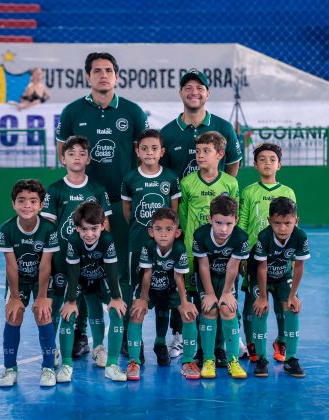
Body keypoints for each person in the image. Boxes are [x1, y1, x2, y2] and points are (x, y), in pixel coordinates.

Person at [56, 53, 148, 356]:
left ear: (117, 76)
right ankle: (80, 333)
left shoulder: (132, 112)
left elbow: (144, 154)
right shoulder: (73, 111)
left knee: (121, 270)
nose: (103, 75)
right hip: (85, 206)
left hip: (121, 205)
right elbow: (62, 152)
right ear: (88, 76)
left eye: (109, 70)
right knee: (82, 269)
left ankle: (125, 335)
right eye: (97, 71)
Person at [160, 68, 242, 359]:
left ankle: (228, 336)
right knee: (184, 282)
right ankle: (180, 335)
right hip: (188, 230)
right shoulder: (168, 132)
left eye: (200, 87)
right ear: (180, 93)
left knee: (222, 281)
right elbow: (167, 179)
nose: (194, 92)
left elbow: (232, 168)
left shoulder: (224, 127)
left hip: (218, 234)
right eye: (188, 87)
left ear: (208, 93)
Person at [40, 135, 112, 366]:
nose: (77, 158)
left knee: (92, 303)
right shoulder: (56, 189)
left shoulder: (97, 188)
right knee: (57, 304)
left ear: (89, 159)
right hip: (62, 260)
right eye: (71, 154)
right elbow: (47, 227)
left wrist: (103, 255)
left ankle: (98, 347)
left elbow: (106, 225)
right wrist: (47, 259)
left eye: (82, 154)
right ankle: (52, 349)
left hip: (91, 261)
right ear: (63, 159)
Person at [178, 131, 239, 369]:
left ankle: (221, 348)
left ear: (220, 154)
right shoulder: (187, 182)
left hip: (223, 254)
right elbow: (183, 218)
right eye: (198, 151)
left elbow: (234, 219)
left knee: (223, 299)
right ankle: (202, 349)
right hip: (194, 253)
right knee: (198, 300)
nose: (200, 155)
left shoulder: (230, 183)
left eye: (206, 151)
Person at [120, 128, 181, 364]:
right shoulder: (130, 179)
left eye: (154, 148)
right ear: (137, 151)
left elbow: (174, 213)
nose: (149, 152)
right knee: (136, 294)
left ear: (162, 152)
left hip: (164, 249)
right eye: (144, 148)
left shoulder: (170, 178)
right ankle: (134, 342)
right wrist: (143, 233)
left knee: (163, 295)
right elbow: (127, 212)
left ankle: (160, 342)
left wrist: (163, 237)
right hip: (137, 245)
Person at [0, 179, 60, 388]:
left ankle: (48, 368)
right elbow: (11, 266)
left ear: (41, 205)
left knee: (43, 314)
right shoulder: (7, 229)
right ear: (13, 203)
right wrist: (15, 297)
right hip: (19, 279)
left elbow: (45, 265)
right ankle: (10, 368)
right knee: (13, 315)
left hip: (42, 278)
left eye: (33, 201)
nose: (27, 205)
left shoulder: (48, 228)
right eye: (21, 200)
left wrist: (42, 297)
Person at [238, 143, 297, 364]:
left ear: (279, 165)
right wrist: (243, 255)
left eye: (272, 159)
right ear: (255, 165)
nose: (267, 163)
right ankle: (252, 342)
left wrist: (292, 255)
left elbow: (293, 226)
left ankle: (281, 340)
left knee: (283, 301)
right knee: (253, 301)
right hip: (255, 258)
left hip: (281, 258)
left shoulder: (288, 192)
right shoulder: (249, 192)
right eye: (262, 159)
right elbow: (242, 224)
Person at [57, 202, 127, 382]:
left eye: (94, 228)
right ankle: (66, 365)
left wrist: (116, 297)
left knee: (117, 311)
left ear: (103, 225)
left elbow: (111, 268)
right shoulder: (74, 241)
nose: (89, 234)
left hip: (102, 278)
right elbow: (73, 272)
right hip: (79, 279)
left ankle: (111, 363)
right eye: (84, 229)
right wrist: (71, 301)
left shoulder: (107, 239)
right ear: (77, 228)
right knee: (67, 314)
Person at [127, 208, 199, 381]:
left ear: (177, 232)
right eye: (158, 229)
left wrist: (184, 302)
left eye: (169, 229)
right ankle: (134, 361)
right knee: (137, 312)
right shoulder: (149, 246)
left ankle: (188, 361)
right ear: (151, 232)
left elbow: (179, 277)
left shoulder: (179, 248)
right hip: (149, 287)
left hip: (171, 287)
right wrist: (143, 299)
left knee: (188, 314)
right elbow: (147, 273)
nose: (163, 234)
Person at [249, 197, 310, 378]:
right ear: (269, 221)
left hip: (284, 276)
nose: (282, 228)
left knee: (292, 308)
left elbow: (299, 266)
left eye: (287, 223)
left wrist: (293, 295)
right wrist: (262, 297)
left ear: (296, 221)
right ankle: (261, 358)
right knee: (260, 309)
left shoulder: (300, 236)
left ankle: (291, 359)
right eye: (277, 223)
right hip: (261, 276)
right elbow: (261, 267)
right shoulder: (264, 237)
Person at [192, 196, 249, 379]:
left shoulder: (241, 237)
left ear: (236, 220)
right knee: (209, 310)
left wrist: (226, 293)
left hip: (227, 279)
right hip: (206, 277)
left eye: (228, 224)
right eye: (218, 223)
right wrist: (209, 293)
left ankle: (233, 360)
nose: (223, 229)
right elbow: (203, 266)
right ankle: (208, 360)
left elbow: (233, 267)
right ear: (210, 219)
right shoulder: (200, 235)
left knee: (228, 309)